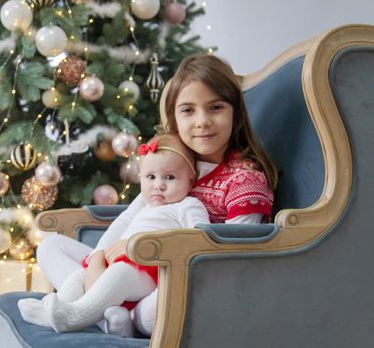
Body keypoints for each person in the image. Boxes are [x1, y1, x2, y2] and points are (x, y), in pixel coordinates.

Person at [35, 53, 277, 337]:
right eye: (188, 110)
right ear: (174, 116)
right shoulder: (172, 163)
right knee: (50, 247)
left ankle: (115, 314)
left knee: (157, 309)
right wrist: (98, 261)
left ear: (235, 113)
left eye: (215, 107)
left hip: (181, 279)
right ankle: (105, 311)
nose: (202, 121)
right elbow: (129, 217)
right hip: (126, 266)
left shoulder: (246, 179)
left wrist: (140, 247)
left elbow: (228, 254)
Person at [18, 134, 210, 334]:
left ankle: (74, 316)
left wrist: (142, 245)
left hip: (149, 270)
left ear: (191, 178)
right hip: (115, 261)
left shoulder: (188, 205)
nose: (158, 185)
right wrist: (97, 257)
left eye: (169, 177)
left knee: (120, 273)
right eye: (150, 177)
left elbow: (199, 241)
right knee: (79, 275)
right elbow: (123, 221)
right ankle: (59, 308)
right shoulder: (146, 203)